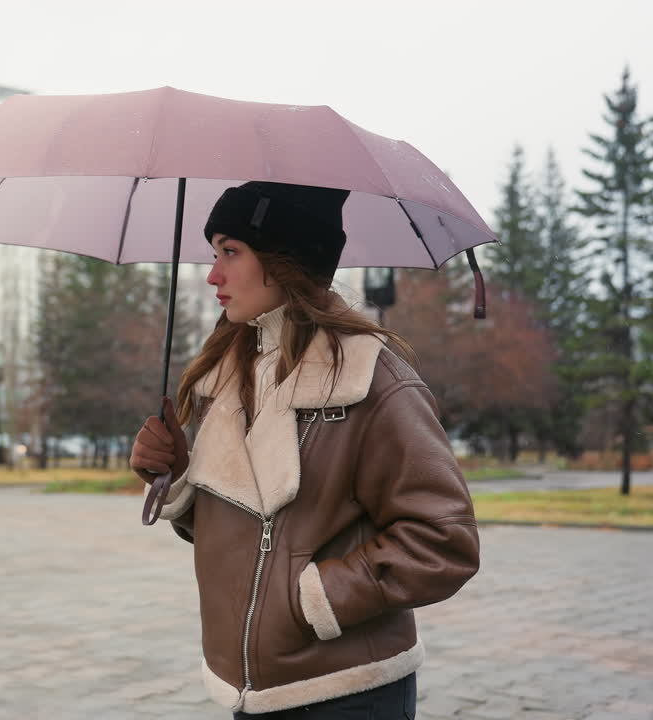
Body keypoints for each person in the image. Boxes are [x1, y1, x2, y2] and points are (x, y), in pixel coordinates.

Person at [130, 182, 480, 719]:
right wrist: (177, 478)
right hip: (249, 690)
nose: (213, 274)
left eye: (230, 251)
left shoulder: (374, 381)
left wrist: (318, 599)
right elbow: (255, 532)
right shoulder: (231, 376)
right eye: (212, 253)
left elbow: (443, 540)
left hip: (345, 692)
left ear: (284, 259)